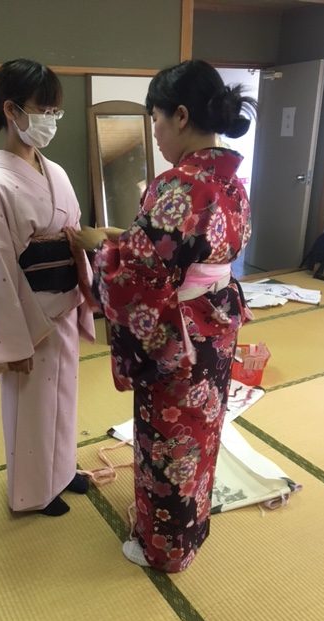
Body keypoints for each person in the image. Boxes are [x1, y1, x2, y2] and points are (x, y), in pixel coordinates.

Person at [70, 60, 256, 570]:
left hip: (180, 337)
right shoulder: (230, 180)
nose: (154, 132)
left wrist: (100, 248)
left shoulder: (178, 185)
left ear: (180, 116)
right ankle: (192, 530)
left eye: (155, 119)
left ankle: (163, 549)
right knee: (202, 434)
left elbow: (137, 276)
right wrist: (123, 239)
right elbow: (179, 251)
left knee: (170, 442)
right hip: (216, 326)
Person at [0, 58, 95, 517]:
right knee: (32, 407)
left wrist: (85, 280)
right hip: (29, 315)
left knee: (63, 398)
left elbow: (73, 232)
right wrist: (12, 339)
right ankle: (32, 492)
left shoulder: (55, 172)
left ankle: (60, 472)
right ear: (11, 110)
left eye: (55, 111)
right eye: (43, 110)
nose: (51, 120)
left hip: (64, 304)